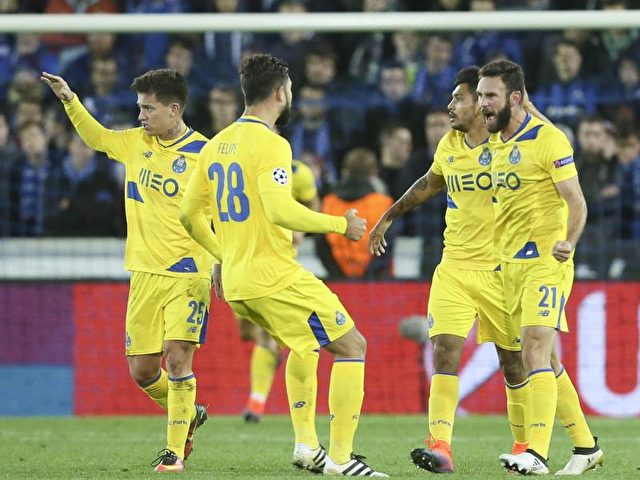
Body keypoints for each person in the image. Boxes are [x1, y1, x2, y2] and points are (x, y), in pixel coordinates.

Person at [180, 53, 387, 477]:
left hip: (237, 281)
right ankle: (342, 460)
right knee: (352, 347)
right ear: (280, 92)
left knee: (306, 344)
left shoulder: (216, 143)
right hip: (273, 274)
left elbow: (189, 216)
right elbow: (279, 209)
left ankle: (308, 446)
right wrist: (339, 224)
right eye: (290, 89)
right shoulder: (273, 144)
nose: (290, 95)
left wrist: (221, 255)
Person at [41, 69, 213, 473]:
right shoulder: (136, 144)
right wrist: (70, 99)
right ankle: (187, 413)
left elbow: (222, 215)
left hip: (189, 273)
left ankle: (174, 453)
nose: (140, 116)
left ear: (174, 110)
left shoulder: (205, 155)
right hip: (144, 273)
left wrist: (221, 259)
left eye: (147, 109)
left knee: (177, 359)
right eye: (139, 108)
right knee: (142, 370)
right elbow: (96, 137)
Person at [369, 66, 530, 474]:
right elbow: (429, 182)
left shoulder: (509, 144)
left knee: (514, 362)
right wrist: (390, 214)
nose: (449, 106)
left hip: (500, 270)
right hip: (455, 266)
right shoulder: (449, 145)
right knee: (444, 352)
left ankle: (526, 446)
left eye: (457, 99)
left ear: (481, 102)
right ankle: (440, 447)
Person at [477, 59, 604, 475]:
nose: (482, 103)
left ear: (514, 98)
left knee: (533, 345)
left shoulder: (550, 140)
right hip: (508, 266)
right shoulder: (495, 144)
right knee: (544, 359)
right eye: (479, 95)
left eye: (490, 95)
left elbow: (577, 201)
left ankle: (535, 451)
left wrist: (569, 241)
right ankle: (586, 447)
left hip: (547, 262)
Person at [240, 156, 321, 423]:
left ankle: (257, 403)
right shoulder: (236, 168)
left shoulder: (297, 172)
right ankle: (261, 397)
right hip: (240, 261)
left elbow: (313, 205)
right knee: (250, 335)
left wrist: (300, 229)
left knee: (276, 337)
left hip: (279, 265)